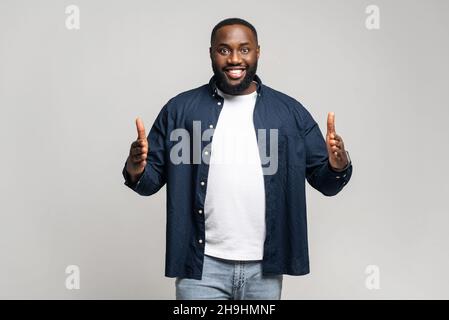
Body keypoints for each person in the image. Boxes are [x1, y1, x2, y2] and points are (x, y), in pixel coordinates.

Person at [122, 18, 353, 300]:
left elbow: (327, 182)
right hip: (201, 267)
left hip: (264, 269)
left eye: (244, 50)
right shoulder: (180, 110)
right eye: (224, 50)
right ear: (211, 53)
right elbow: (149, 182)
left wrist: (337, 164)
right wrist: (136, 168)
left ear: (258, 52)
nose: (234, 59)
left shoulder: (289, 113)